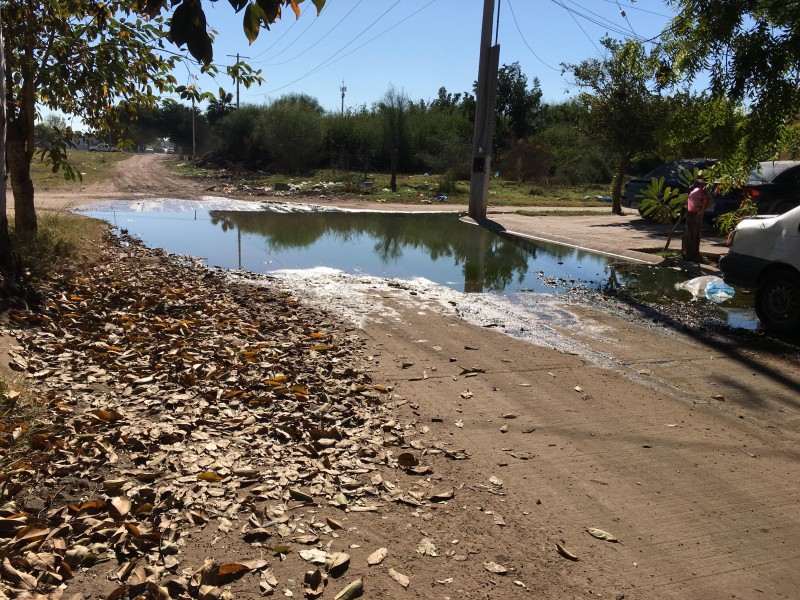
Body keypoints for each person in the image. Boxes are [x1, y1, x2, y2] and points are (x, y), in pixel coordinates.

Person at [683, 176, 710, 261]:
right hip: (694, 212)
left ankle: (691, 253)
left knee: (694, 232)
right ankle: (690, 254)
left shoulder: (698, 190)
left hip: (695, 211)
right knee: (692, 232)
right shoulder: (696, 190)